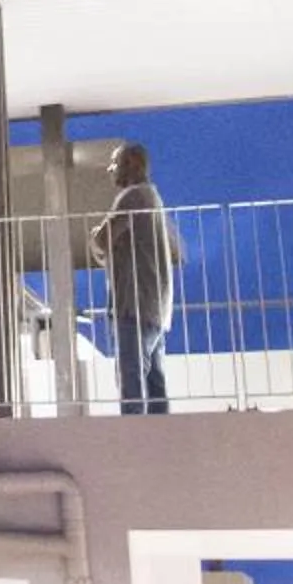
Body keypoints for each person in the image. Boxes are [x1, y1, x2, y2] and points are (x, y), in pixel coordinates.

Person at [99, 141, 175, 416]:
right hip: (156, 306)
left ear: (130, 165)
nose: (110, 170)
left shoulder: (132, 198)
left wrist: (99, 243)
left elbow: (101, 239)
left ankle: (135, 444)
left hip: (133, 303)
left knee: (132, 386)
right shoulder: (153, 198)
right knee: (155, 386)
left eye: (114, 163)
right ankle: (161, 443)